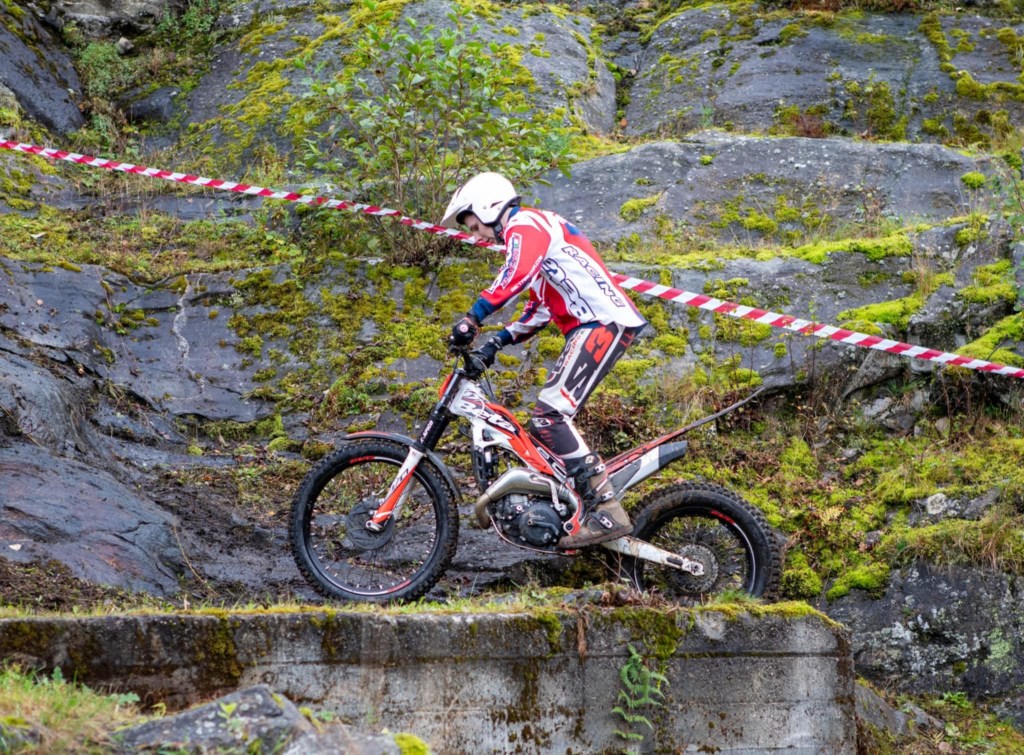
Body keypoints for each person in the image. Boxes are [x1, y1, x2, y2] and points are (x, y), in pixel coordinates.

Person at [441, 172, 647, 548]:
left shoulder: (525, 225)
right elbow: (538, 311)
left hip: (602, 323)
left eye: (474, 224)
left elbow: (515, 275)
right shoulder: (532, 232)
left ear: (487, 206)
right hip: (593, 325)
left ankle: (606, 509)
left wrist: (473, 317)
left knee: (550, 415)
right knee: (545, 422)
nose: (477, 235)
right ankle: (576, 501)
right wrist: (495, 344)